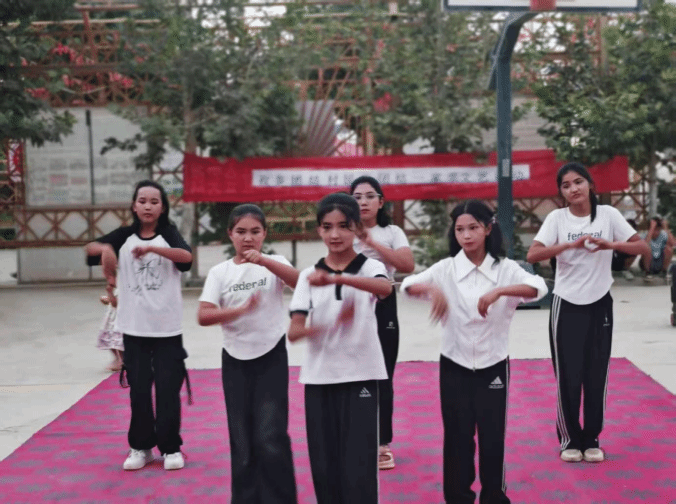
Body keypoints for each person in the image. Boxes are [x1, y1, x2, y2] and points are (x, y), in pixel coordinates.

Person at [401, 199, 547, 504]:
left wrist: (499, 291)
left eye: (473, 228)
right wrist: (432, 289)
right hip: (454, 364)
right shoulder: (446, 269)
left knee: (493, 437)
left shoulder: (505, 269)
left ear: (488, 229)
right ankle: (458, 497)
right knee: (457, 437)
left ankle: (494, 496)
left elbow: (538, 288)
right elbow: (407, 285)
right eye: (459, 230)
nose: (466, 235)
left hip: (494, 364)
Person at [526, 163, 649, 464]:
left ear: (591, 184)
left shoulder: (608, 215)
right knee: (568, 376)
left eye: (578, 182)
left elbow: (641, 247)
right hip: (566, 304)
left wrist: (610, 244)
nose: (573, 189)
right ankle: (570, 439)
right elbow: (533, 254)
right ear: (561, 192)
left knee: (596, 374)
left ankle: (592, 438)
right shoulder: (557, 219)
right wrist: (568, 245)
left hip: (600, 303)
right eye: (566, 185)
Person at [287, 193, 392, 504]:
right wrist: (330, 326)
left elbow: (385, 288)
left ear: (357, 228)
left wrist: (339, 278)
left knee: (359, 465)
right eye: (327, 227)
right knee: (324, 467)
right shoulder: (308, 276)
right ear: (318, 230)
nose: (335, 234)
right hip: (319, 379)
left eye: (344, 226)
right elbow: (294, 332)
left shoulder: (370, 267)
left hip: (360, 376)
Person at [85, 179, 193, 471]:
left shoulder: (168, 233)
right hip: (134, 329)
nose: (148, 206)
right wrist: (105, 249)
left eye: (154, 201)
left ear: (162, 207)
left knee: (168, 391)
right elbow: (90, 249)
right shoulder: (124, 235)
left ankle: (171, 448)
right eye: (142, 201)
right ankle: (141, 447)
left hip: (167, 329)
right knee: (139, 392)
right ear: (134, 205)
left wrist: (154, 250)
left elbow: (186, 258)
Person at [197, 204, 298, 504]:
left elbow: (300, 283)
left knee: (271, 434)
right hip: (235, 360)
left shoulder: (275, 263)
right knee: (241, 439)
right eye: (241, 231)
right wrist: (238, 310)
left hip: (271, 356)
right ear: (230, 234)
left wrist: (265, 261)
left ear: (265, 234)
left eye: (255, 231)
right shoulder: (220, 272)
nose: (248, 238)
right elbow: (204, 315)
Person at [349, 175, 415, 470]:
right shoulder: (342, 229)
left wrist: (370, 242)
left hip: (383, 302)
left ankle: (381, 443)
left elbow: (407, 265)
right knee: (351, 373)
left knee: (383, 374)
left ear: (381, 202)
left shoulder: (392, 231)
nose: (363, 202)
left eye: (369, 196)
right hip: (350, 303)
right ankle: (355, 437)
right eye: (357, 197)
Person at [639, 216, 675, 282]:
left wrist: (666, 228)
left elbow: (673, 244)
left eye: (658, 230)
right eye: (654, 230)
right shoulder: (644, 234)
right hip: (647, 263)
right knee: (646, 248)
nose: (656, 233)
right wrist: (651, 228)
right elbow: (645, 245)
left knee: (669, 249)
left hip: (659, 261)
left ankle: (664, 272)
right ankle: (648, 272)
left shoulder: (663, 234)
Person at [97, 289, 124, 372]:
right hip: (113, 317)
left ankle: (122, 360)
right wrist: (108, 298)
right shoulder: (117, 288)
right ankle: (118, 358)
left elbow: (116, 303)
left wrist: (110, 296)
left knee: (119, 341)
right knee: (111, 340)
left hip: (121, 318)